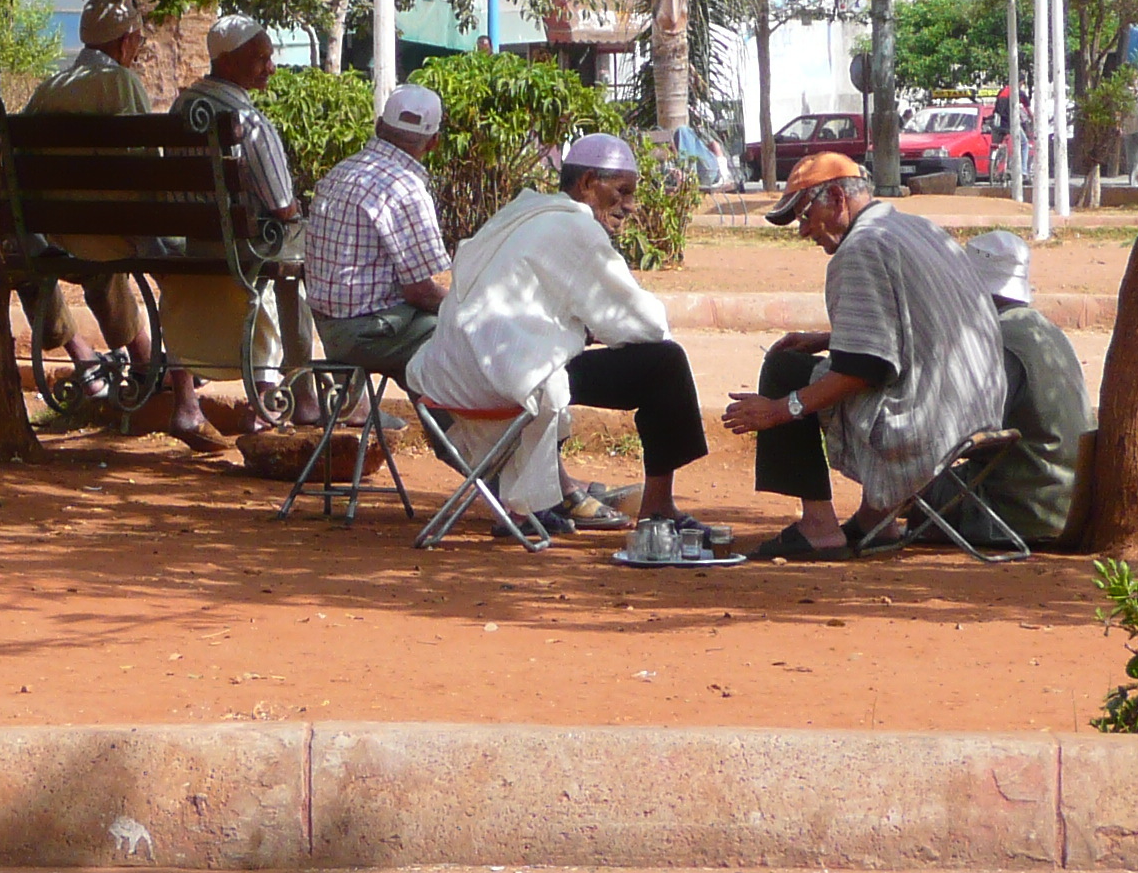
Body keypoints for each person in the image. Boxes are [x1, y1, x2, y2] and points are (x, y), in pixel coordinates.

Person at [409, 133, 711, 538]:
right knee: (665, 363)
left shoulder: (520, 214)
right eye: (622, 192)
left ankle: (540, 500)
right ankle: (659, 506)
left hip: (445, 382)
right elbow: (645, 325)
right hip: (504, 384)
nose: (630, 206)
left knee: (563, 355)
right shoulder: (577, 231)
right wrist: (592, 331)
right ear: (587, 183)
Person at [721, 153, 1006, 558]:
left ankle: (818, 527)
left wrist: (781, 409)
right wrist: (825, 338)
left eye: (805, 216)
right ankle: (878, 520)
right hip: (980, 414)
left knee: (785, 369)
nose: (804, 232)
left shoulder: (859, 249)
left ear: (837, 197)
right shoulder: (915, 227)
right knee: (815, 363)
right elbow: (913, 327)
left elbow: (864, 370)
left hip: (928, 424)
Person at [24, 0, 185, 431]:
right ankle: (164, 370)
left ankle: (109, 362)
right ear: (125, 42)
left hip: (56, 233)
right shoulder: (120, 83)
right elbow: (143, 167)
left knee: (42, 255)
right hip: (115, 234)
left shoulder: (49, 88)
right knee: (154, 249)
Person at [161, 15, 305, 417]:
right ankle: (289, 397)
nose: (270, 67)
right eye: (260, 58)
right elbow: (282, 205)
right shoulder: (247, 121)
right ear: (226, 63)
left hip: (193, 246)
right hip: (246, 247)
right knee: (298, 253)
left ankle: (186, 404)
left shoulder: (180, 107)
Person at [942, 230, 1090, 546]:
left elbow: (971, 433)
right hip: (1068, 504)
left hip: (1018, 511)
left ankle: (865, 529)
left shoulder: (998, 338)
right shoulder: (1043, 329)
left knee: (902, 479)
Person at [298, 83, 450, 383]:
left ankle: (433, 425)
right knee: (461, 336)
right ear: (433, 142)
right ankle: (450, 430)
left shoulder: (340, 172)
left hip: (329, 328)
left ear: (379, 125)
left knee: (434, 331)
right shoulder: (405, 188)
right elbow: (420, 291)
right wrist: (468, 310)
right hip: (367, 334)